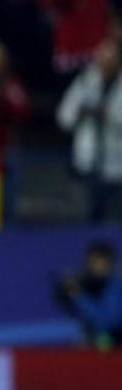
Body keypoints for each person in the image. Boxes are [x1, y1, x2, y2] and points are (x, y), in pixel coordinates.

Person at [57, 37, 122, 222]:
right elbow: (63, 117)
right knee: (84, 223)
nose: (106, 65)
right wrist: (80, 113)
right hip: (87, 164)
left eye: (111, 60)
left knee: (115, 225)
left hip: (117, 169)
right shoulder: (86, 81)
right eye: (102, 60)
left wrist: (109, 114)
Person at [55, 240, 122, 350]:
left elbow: (106, 321)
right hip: (96, 342)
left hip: (116, 345)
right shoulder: (88, 284)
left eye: (99, 262)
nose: (94, 267)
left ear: (109, 263)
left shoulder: (117, 286)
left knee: (102, 341)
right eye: (91, 262)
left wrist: (78, 295)